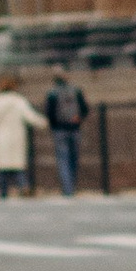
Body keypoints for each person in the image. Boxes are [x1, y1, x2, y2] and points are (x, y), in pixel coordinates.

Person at [0, 77, 45, 199]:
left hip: (1, 138)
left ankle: (3, 192)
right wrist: (44, 122)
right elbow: (30, 116)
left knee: (2, 167)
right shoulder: (19, 101)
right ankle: (23, 186)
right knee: (18, 166)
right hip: (17, 137)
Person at [43, 70, 90, 199]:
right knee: (73, 158)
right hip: (75, 128)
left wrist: (54, 125)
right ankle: (72, 187)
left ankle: (67, 189)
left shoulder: (52, 93)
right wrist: (78, 119)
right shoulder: (76, 90)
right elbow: (85, 109)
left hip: (59, 129)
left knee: (63, 159)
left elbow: (49, 112)